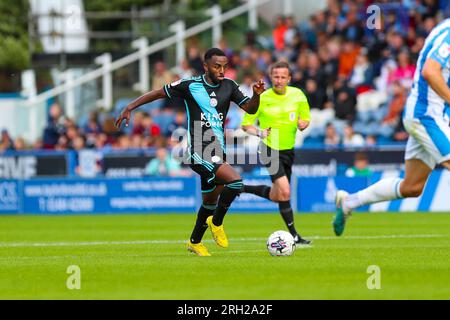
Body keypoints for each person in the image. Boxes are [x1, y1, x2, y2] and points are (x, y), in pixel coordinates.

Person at [115, 48, 265, 256]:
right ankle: (218, 223)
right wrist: (130, 106)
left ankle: (195, 242)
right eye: (217, 66)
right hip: (197, 150)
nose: (222, 70)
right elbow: (158, 93)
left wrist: (256, 96)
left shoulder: (229, 86)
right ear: (205, 66)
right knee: (236, 182)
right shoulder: (190, 85)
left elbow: (250, 108)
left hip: (217, 150)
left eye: (224, 66)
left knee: (210, 202)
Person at [333, 18, 450, 236]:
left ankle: (349, 201)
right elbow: (430, 71)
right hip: (426, 115)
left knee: (412, 187)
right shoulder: (449, 34)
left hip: (432, 116)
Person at [240, 62, 312, 245]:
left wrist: (304, 124)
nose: (279, 80)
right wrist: (258, 132)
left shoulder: (298, 95)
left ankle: (240, 188)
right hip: (268, 149)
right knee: (286, 191)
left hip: (288, 150)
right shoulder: (262, 97)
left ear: (289, 78)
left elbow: (305, 118)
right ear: (271, 77)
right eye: (276, 76)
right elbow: (246, 124)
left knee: (277, 195)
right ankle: (294, 236)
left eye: (283, 77)